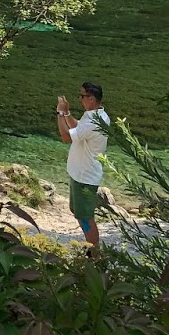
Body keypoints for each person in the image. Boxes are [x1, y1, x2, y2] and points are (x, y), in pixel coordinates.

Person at [57, 81, 111, 248]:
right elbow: (77, 127)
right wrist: (67, 113)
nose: (80, 99)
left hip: (85, 177)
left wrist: (59, 113)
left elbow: (66, 137)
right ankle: (91, 247)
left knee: (86, 217)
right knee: (77, 210)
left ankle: (94, 253)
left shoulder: (94, 122)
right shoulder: (96, 115)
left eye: (82, 96)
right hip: (80, 174)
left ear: (92, 99)